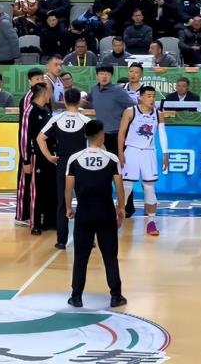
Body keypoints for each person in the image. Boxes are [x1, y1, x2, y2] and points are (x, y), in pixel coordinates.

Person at [65, 119, 127, 308]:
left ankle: (76, 297)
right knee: (110, 256)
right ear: (101, 136)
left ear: (85, 135)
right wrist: (121, 209)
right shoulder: (112, 158)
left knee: (80, 257)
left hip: (84, 212)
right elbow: (119, 186)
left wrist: (68, 208)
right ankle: (116, 296)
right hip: (105, 212)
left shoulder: (74, 159)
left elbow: (69, 187)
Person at [37, 88, 90, 249]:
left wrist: (49, 157)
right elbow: (97, 142)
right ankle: (87, 238)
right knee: (84, 201)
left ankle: (61, 240)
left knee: (61, 201)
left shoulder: (56, 119)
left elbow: (40, 138)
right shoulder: (86, 121)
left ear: (65, 101)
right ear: (79, 101)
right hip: (81, 163)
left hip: (63, 162)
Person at [118, 86, 168, 236]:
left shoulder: (158, 114)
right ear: (140, 97)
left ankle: (151, 222)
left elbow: (162, 134)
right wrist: (120, 153)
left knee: (149, 188)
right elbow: (121, 133)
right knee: (126, 187)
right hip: (131, 151)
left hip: (148, 153)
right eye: (148, 96)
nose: (151, 99)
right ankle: (117, 219)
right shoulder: (130, 111)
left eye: (153, 96)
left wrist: (166, 154)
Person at [87, 65, 136, 216]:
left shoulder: (119, 91)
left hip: (117, 136)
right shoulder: (94, 90)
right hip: (100, 137)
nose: (104, 76)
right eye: (101, 73)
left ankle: (127, 207)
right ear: (97, 75)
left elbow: (134, 109)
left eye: (107, 74)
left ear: (111, 76)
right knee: (102, 173)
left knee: (120, 173)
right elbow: (87, 101)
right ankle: (105, 205)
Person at [23, 83, 56, 235]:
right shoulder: (29, 111)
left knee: (50, 188)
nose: (50, 95)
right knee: (36, 190)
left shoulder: (47, 110)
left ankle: (49, 221)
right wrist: (26, 160)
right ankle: (35, 223)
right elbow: (24, 137)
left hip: (49, 154)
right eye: (49, 92)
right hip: (36, 156)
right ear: (43, 93)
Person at [15, 68, 45, 226]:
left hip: (39, 148)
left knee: (35, 183)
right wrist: (25, 156)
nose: (40, 81)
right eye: (36, 79)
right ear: (29, 82)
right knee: (25, 181)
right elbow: (25, 131)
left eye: (41, 78)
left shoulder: (43, 97)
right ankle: (21, 216)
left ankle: (36, 213)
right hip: (28, 147)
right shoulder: (28, 99)